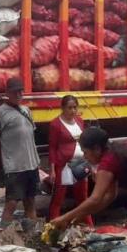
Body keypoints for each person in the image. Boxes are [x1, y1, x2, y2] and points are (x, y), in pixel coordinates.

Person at [0, 78, 40, 226]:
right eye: (15, 91)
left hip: (31, 166)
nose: (18, 94)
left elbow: (30, 138)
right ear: (7, 93)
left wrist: (36, 162)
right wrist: (3, 158)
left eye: (21, 91)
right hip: (15, 167)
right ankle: (3, 234)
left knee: (30, 202)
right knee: (11, 203)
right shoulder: (1, 112)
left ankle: (33, 233)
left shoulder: (26, 110)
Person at [48, 95, 92, 226]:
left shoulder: (79, 121)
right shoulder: (55, 124)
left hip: (80, 165)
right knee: (58, 198)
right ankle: (52, 227)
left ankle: (89, 227)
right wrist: (52, 170)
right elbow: (52, 147)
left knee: (83, 198)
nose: (73, 111)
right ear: (62, 108)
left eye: (75, 107)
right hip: (64, 166)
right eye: (69, 108)